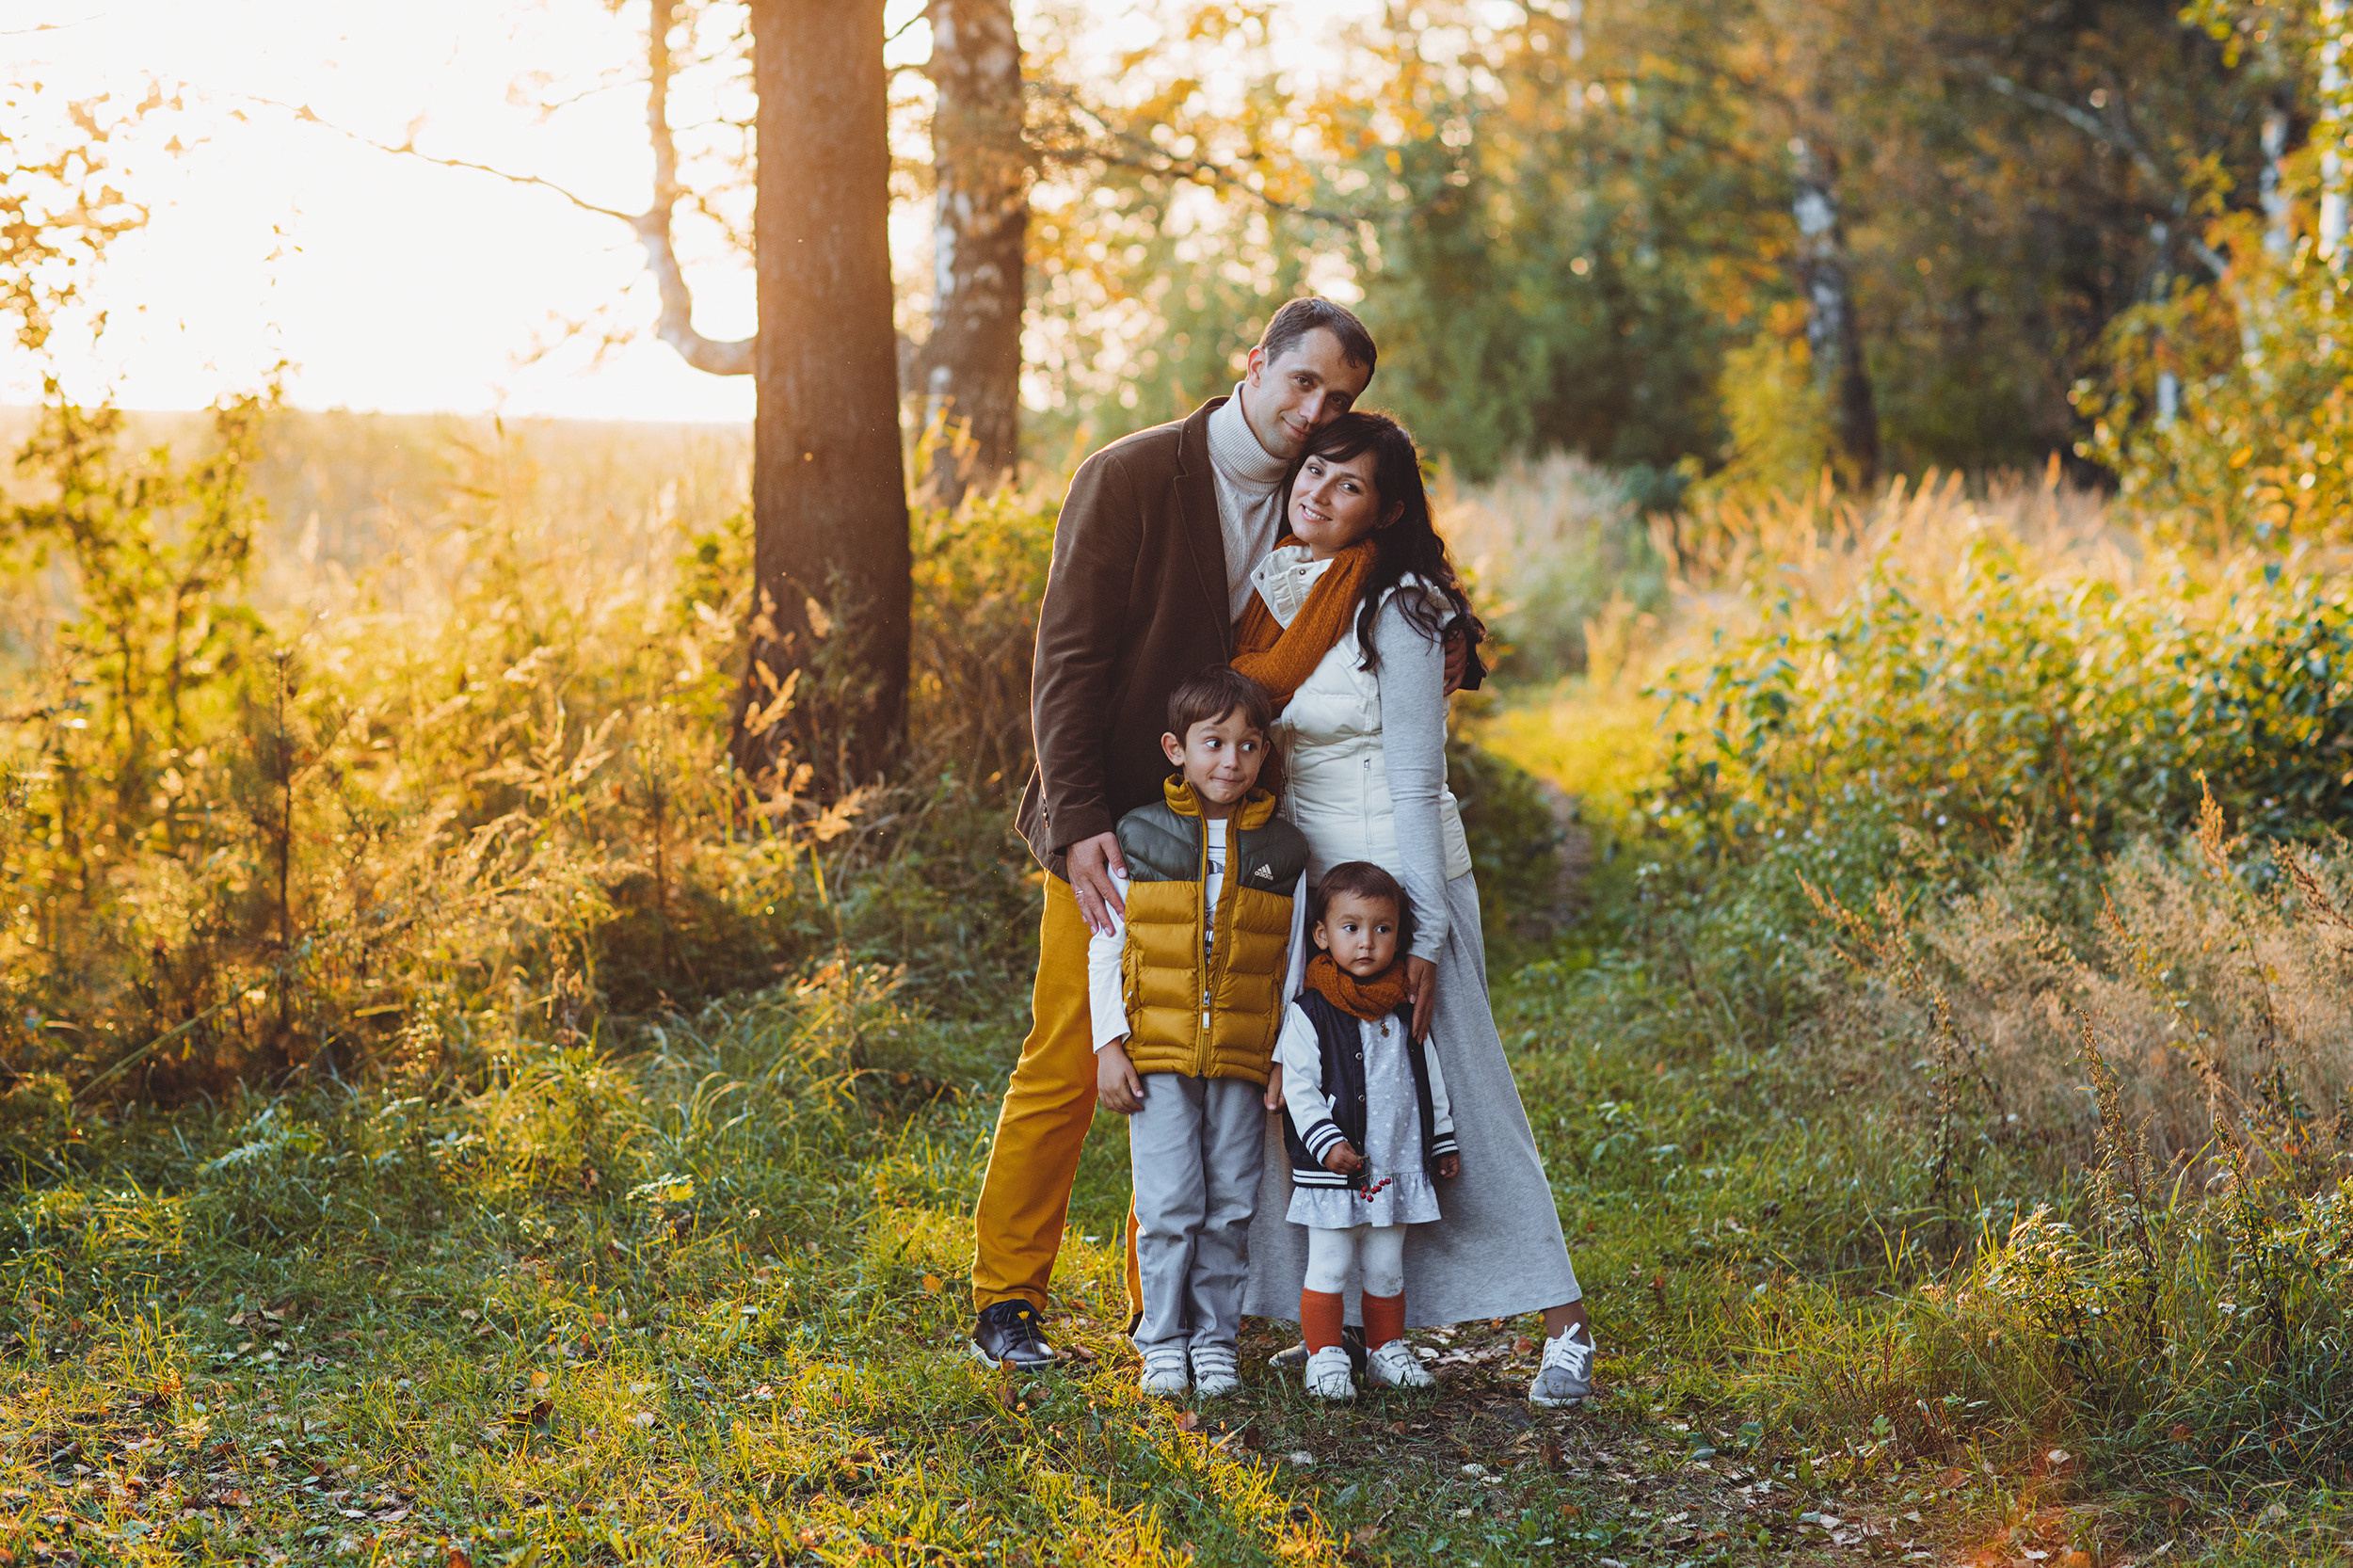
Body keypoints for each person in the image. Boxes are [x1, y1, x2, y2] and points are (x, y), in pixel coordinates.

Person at [968, 298, 1380, 1368]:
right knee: (1074, 1051)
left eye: (1337, 398)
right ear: (1256, 363)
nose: (1315, 410)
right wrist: (1078, 822)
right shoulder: (1132, 474)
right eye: (1303, 382)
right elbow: (1066, 662)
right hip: (1115, 824)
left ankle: (1172, 1310)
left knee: (1212, 1069)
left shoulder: (1315, 500)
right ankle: (1007, 1299)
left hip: (1243, 828)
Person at [1238, 409, 1597, 1407]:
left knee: (1461, 1094)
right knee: (1319, 1093)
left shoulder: (1398, 609)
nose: (1320, 492)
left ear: (1385, 511)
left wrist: (1426, 932)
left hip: (1401, 885)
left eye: (1348, 484)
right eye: (1315, 470)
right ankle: (1344, 1319)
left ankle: (1564, 1324)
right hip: (1312, 888)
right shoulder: (1278, 588)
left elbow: (1412, 780)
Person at [1084, 666, 1311, 1396]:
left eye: (1248, 745)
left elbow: (1295, 963)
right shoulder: (1141, 836)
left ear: (1265, 752)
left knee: (1231, 1206)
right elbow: (1106, 946)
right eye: (1213, 743)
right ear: (1176, 749)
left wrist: (1285, 1057)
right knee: (1168, 1207)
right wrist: (1108, 1045)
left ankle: (1215, 1341)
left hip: (1244, 1056)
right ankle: (1162, 1340)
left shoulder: (1284, 850)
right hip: (1156, 1053)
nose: (1231, 761)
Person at [1274, 862, 1458, 1400]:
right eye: (1351, 927)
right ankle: (1325, 1356)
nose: (1366, 942)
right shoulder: (1310, 1012)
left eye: (1382, 929)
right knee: (1330, 1263)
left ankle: (1385, 1349)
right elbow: (1299, 1087)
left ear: (1399, 937)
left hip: (1395, 1164)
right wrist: (1326, 1142)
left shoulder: (1404, 1008)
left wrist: (1441, 1140)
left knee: (1386, 1266)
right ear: (1321, 935)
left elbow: (1429, 1078)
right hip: (1336, 1167)